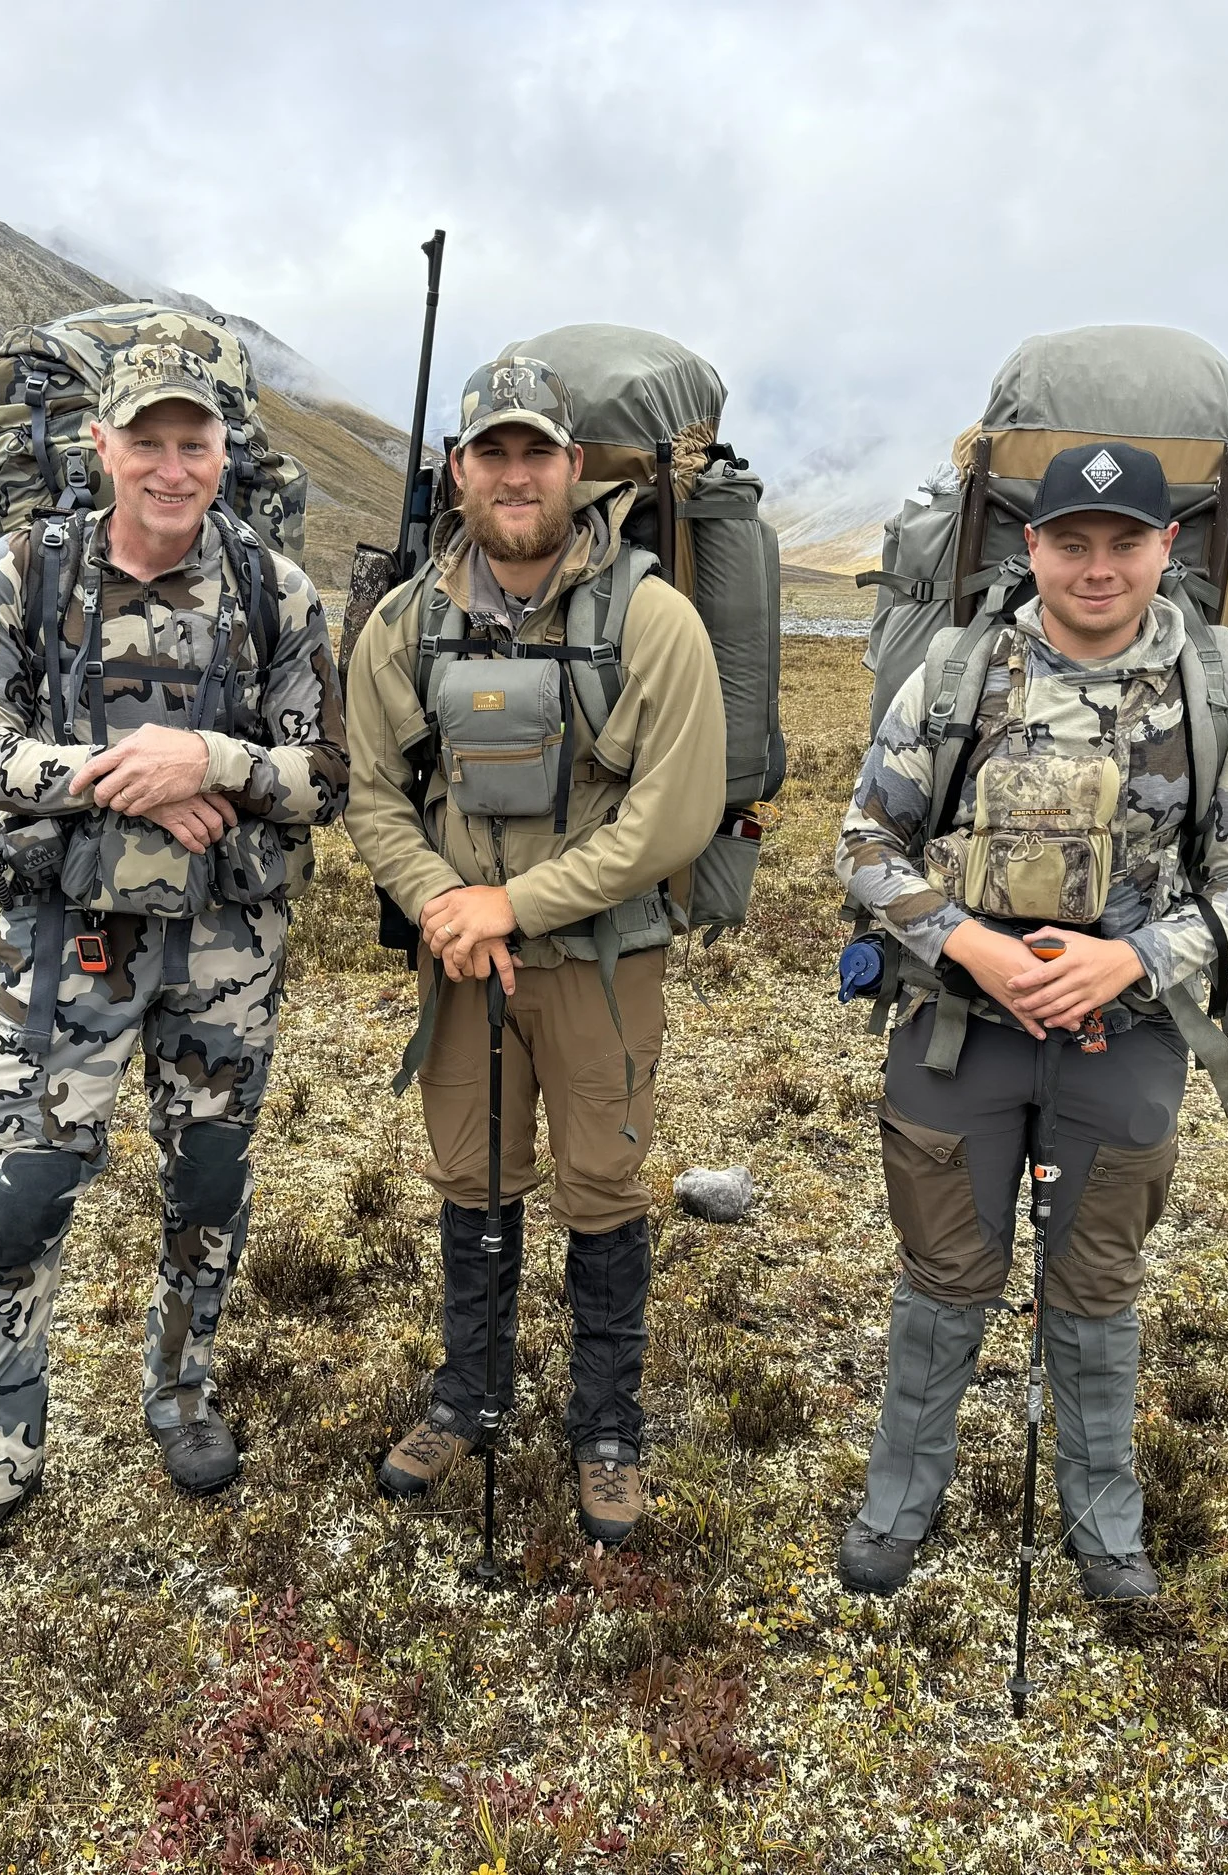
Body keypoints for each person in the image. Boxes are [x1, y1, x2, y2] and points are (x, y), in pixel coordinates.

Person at [0, 341, 347, 1585]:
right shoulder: (24, 572)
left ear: (221, 456)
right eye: (143, 441)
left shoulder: (276, 592)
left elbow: (329, 774)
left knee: (206, 1184)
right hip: (62, 950)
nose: (168, 465)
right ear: (100, 447)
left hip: (225, 952)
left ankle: (181, 1393)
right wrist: (117, 783)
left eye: (191, 442)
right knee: (26, 1197)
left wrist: (211, 763)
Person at [833, 440, 1228, 1599]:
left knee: (1094, 1288)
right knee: (941, 1277)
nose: (1096, 568)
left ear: (1164, 546)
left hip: (1124, 1039)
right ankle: (897, 1505)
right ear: (1029, 545)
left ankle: (1104, 1523)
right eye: (1069, 543)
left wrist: (1127, 961)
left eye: (1122, 543)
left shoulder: (1213, 687)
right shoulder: (955, 674)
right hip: (957, 1032)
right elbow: (864, 844)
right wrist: (971, 945)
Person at [343, 355, 725, 1547]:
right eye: (491, 455)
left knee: (602, 1186)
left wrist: (519, 906)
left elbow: (674, 811)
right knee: (471, 1173)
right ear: (458, 470)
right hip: (460, 962)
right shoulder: (405, 623)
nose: (515, 478)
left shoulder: (652, 618)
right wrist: (448, 907)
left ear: (575, 469)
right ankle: (470, 1392)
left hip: (603, 963)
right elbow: (370, 794)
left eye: (538, 455)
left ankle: (606, 1424)